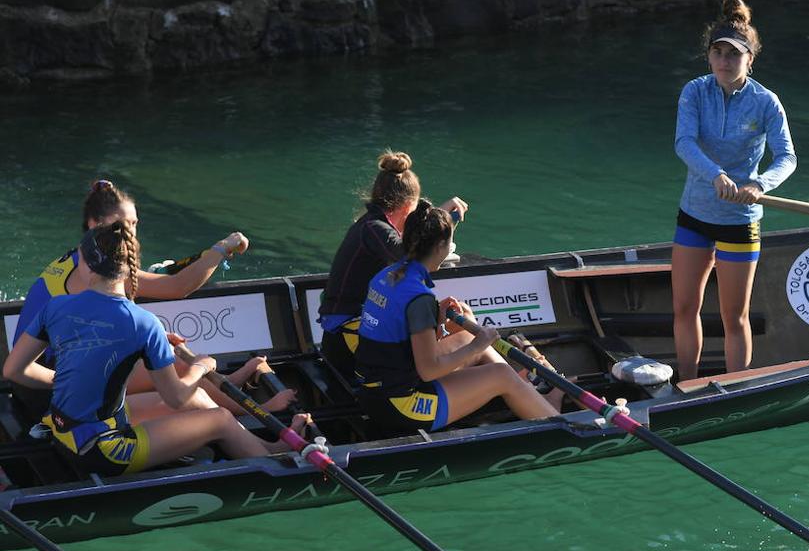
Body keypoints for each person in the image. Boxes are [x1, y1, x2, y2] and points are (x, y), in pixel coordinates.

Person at [3, 221, 310, 477]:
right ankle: (275, 461)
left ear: (84, 262)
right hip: (107, 451)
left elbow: (13, 370)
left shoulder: (56, 307)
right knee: (219, 419)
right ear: (131, 269)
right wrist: (202, 366)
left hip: (61, 433)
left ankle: (267, 447)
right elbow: (176, 398)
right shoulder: (143, 322)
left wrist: (64, 382)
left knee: (200, 400)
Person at [9, 179, 292, 422]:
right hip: (50, 390)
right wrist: (221, 248)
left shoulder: (85, 257)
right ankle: (256, 412)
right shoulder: (97, 271)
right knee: (178, 374)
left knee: (167, 358)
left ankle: (229, 386)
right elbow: (177, 287)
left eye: (134, 222)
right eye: (123, 224)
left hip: (50, 374)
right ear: (96, 224)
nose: (131, 231)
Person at [672, 0, 796, 381]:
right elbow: (684, 143)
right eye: (718, 52)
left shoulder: (766, 102)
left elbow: (786, 157)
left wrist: (760, 183)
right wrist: (717, 176)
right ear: (709, 57)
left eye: (734, 54)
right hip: (694, 215)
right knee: (684, 308)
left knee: (733, 317)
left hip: (740, 221)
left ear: (750, 60)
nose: (725, 60)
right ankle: (687, 384)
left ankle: (734, 388)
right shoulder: (694, 91)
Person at [354, 204, 558, 434]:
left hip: (373, 390)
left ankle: (534, 402)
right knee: (501, 374)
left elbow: (400, 338)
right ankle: (561, 428)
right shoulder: (419, 298)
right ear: (441, 246)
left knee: (473, 342)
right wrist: (477, 345)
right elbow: (429, 371)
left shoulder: (387, 274)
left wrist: (438, 320)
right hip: (400, 406)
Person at [317, 151, 468, 381]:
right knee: (465, 340)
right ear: (408, 207)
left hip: (355, 325)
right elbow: (418, 254)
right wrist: (442, 218)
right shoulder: (375, 229)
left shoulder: (371, 225)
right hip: (346, 332)